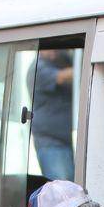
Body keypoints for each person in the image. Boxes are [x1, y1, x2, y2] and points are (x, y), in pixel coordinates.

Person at [30, 50, 76, 180]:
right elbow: (61, 77)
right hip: (52, 144)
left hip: (68, 141)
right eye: (50, 48)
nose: (54, 51)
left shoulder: (60, 61)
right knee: (64, 192)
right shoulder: (37, 69)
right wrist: (82, 65)